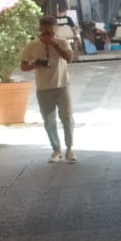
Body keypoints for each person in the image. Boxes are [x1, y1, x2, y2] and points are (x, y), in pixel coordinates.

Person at [21, 15, 77, 163]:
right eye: (45, 27)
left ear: (55, 28)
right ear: (40, 28)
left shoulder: (62, 42)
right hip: (43, 89)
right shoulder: (32, 45)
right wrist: (35, 64)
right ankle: (56, 150)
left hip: (62, 86)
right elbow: (23, 66)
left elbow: (69, 58)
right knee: (48, 120)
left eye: (50, 27)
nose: (47, 30)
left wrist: (54, 45)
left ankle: (70, 148)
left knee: (67, 117)